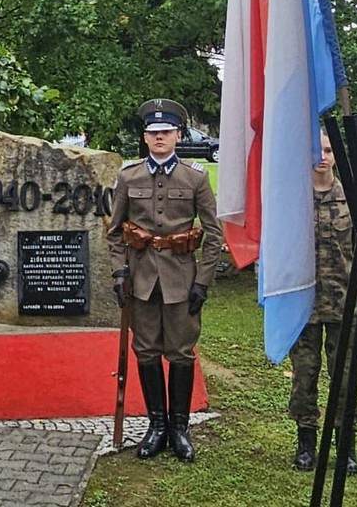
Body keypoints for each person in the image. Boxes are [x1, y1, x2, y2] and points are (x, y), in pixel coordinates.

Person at [106, 98, 223, 462]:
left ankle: (179, 427)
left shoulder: (196, 178)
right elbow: (113, 233)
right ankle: (157, 426)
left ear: (178, 135)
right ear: (145, 137)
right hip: (141, 280)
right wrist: (118, 272)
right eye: (153, 133)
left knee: (181, 352)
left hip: (181, 279)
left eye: (166, 132)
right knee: (146, 351)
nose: (159, 138)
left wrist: (202, 281)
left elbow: (215, 235)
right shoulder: (129, 177)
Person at [289, 129, 357, 475]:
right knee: (304, 376)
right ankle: (306, 443)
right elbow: (277, 252)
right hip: (304, 306)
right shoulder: (292, 198)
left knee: (345, 378)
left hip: (346, 303)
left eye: (328, 149)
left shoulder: (353, 198)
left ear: (336, 155)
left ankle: (346, 446)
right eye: (316, 149)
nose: (322, 156)